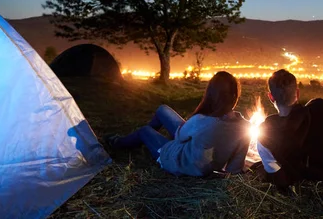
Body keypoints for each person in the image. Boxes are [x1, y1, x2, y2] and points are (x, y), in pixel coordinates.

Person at [105, 71, 251, 176]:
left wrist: (191, 127)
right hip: (204, 163)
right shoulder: (245, 126)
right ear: (235, 95)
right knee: (163, 110)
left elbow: (180, 137)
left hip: (178, 162)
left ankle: (117, 143)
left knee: (145, 131)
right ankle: (141, 142)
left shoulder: (203, 120)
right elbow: (235, 167)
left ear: (211, 94)